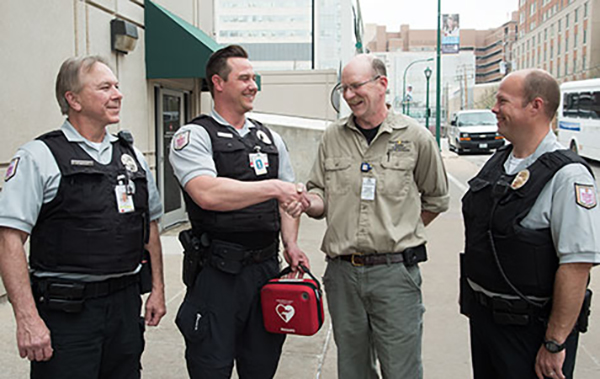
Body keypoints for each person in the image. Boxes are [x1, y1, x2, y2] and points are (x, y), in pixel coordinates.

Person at [0, 56, 166, 378]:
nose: (118, 94)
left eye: (117, 86)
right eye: (105, 87)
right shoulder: (39, 157)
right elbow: (9, 239)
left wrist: (157, 288)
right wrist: (27, 319)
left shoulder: (132, 157)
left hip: (124, 308)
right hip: (67, 314)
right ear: (73, 99)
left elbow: (151, 226)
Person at [286, 54, 449, 379]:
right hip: (343, 275)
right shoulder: (333, 136)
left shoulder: (415, 137)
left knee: (401, 370)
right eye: (343, 88)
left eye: (355, 86)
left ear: (382, 84)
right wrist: (307, 203)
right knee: (353, 369)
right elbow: (321, 195)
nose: (348, 96)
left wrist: (399, 230)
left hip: (395, 277)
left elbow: (436, 198)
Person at [169, 44, 309, 379]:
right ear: (218, 83)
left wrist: (290, 243)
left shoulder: (270, 138)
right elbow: (206, 193)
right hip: (218, 275)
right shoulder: (195, 135)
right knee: (211, 367)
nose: (253, 85)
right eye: (244, 78)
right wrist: (274, 187)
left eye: (254, 78)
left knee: (261, 367)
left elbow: (288, 202)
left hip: (265, 272)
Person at [460, 69, 599, 379]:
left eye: (503, 101)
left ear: (535, 106)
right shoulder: (499, 161)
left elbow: (577, 265)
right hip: (486, 323)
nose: (494, 108)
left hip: (530, 332)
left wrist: (554, 342)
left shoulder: (569, 176)